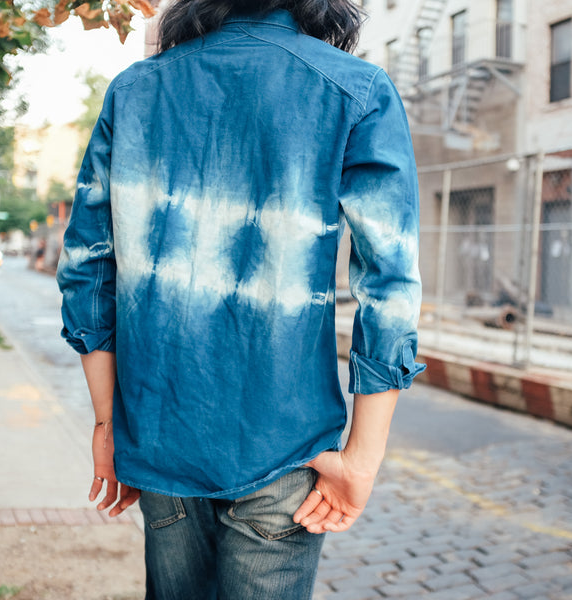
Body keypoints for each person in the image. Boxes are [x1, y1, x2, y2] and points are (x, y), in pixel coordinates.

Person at [57, 1, 425, 597]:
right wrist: (362, 458)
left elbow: (87, 269)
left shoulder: (134, 91)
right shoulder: (354, 88)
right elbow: (389, 281)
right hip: (287, 447)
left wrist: (108, 425)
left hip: (160, 439)